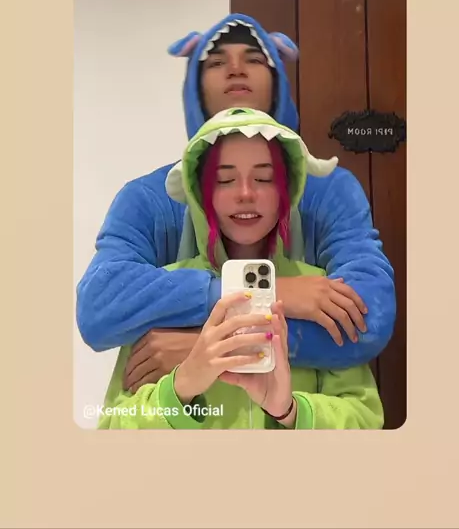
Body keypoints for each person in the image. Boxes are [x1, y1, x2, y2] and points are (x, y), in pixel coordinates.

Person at [77, 14, 396, 392]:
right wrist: (271, 292)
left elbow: (368, 318)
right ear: (194, 87)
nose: (235, 69)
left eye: (254, 58)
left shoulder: (331, 190)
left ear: (278, 80)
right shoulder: (146, 199)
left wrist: (206, 346)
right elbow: (98, 308)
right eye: (216, 61)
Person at [98, 108, 384, 429]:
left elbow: (365, 420)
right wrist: (180, 389)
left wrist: (291, 411)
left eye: (264, 178)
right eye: (225, 180)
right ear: (201, 194)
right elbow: (113, 427)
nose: (246, 194)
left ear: (286, 191)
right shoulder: (162, 297)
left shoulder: (321, 291)